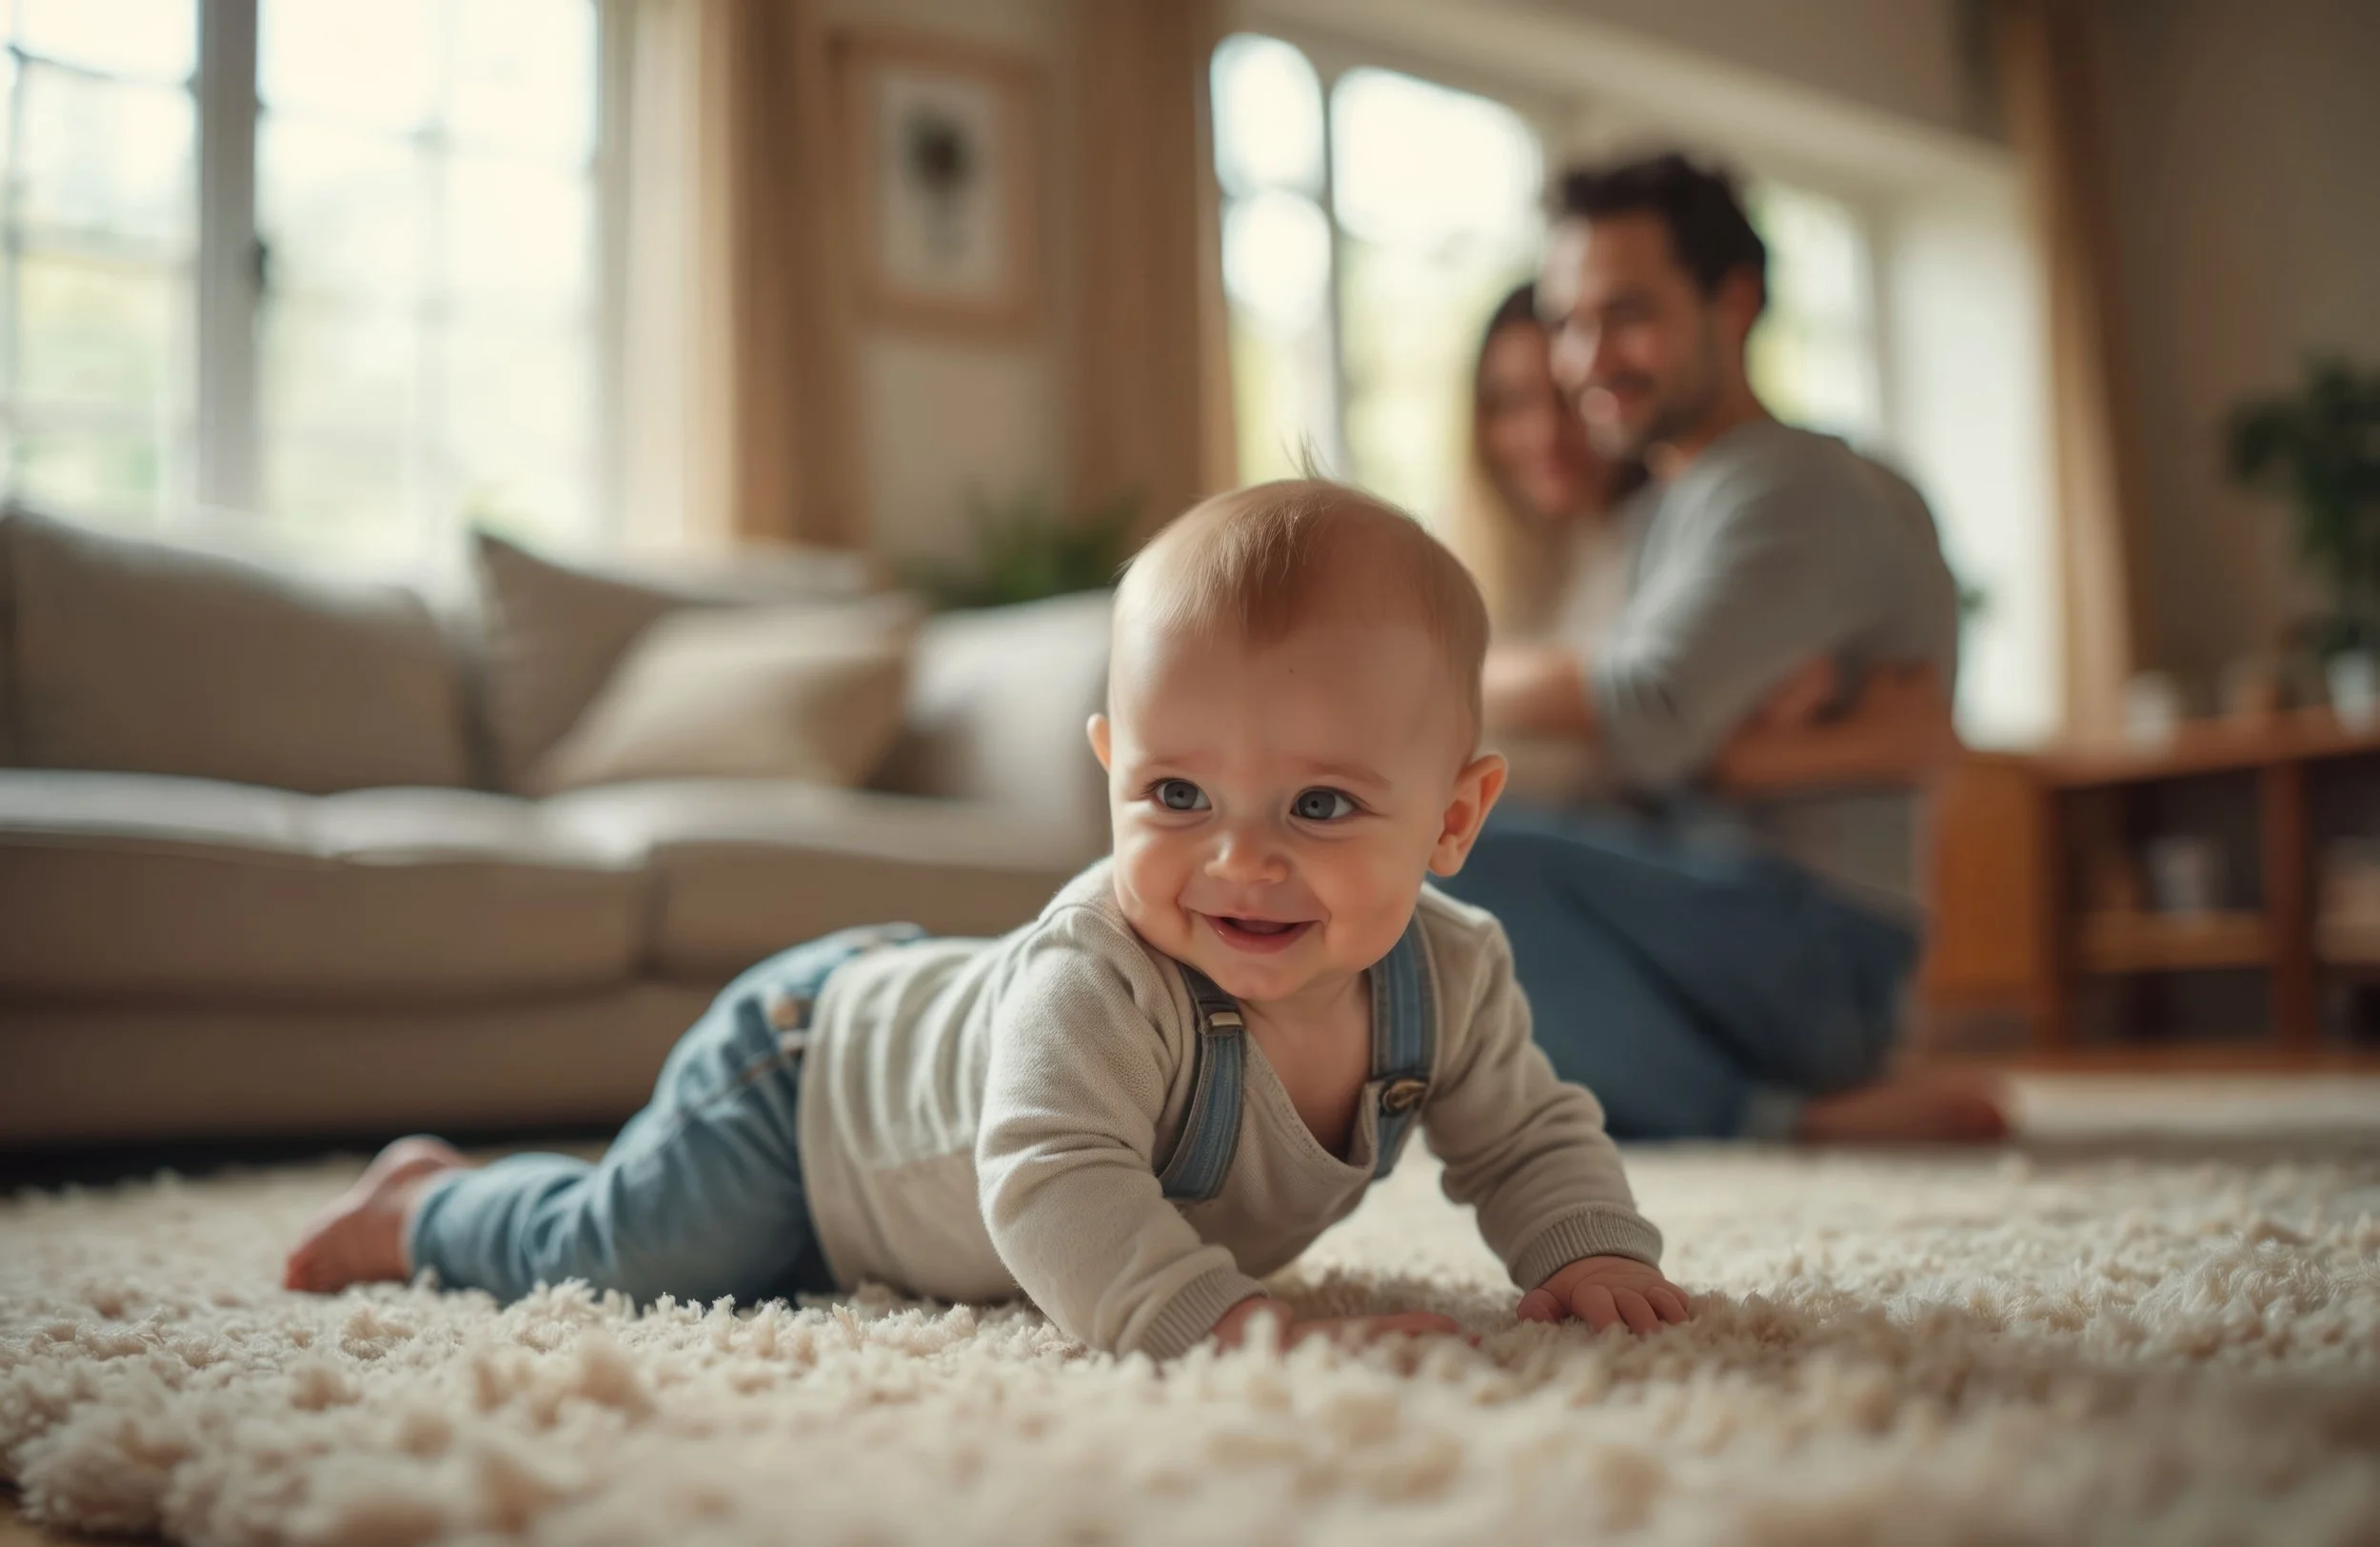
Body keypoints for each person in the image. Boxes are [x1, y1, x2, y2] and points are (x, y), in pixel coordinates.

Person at [285, 480, 1692, 1357]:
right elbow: (1051, 1182)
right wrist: (1210, 1315)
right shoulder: (1104, 974)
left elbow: (1526, 1130)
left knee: (776, 1284)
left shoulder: (1452, 975)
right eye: (1178, 792)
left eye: (1320, 808)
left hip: (891, 1194)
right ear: (1110, 774)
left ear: (1454, 818)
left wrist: (1590, 1248)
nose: (1237, 861)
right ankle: (425, 1206)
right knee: (626, 1260)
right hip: (807, 1083)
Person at [1436, 152, 2006, 1146]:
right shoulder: (1680, 499)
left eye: (1628, 314)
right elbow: (1663, 742)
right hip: (1734, 910)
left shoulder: (1781, 487)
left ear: (1731, 302)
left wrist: (1413, 667)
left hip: (1818, 944)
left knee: (1439, 854)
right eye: (1569, 321)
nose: (1587, 359)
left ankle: (1771, 1118)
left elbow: (1646, 723)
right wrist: (1729, 742)